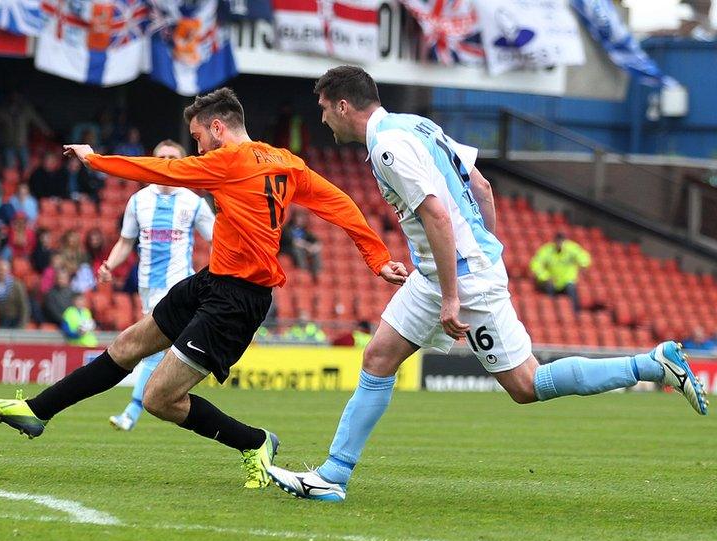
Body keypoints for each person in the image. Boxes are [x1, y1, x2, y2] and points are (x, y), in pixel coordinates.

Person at [265, 65, 709, 503]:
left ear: (344, 106)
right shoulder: (418, 126)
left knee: (526, 385)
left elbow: (437, 214)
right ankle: (333, 475)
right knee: (378, 356)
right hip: (439, 274)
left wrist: (458, 291)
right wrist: (483, 249)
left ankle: (652, 364)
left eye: (324, 108)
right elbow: (482, 185)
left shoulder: (387, 147)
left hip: (460, 278)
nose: (322, 118)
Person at [0, 87, 402, 490]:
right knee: (126, 346)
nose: (198, 149)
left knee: (160, 398)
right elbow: (340, 203)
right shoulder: (287, 162)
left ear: (218, 128)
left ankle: (254, 441)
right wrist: (377, 258)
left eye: (198, 137)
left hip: (237, 301)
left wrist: (97, 160)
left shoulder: (229, 161)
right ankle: (35, 411)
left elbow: (162, 170)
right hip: (211, 281)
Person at [98, 139, 215, 431]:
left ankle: (132, 412)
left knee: (152, 348)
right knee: (155, 348)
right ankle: (157, 399)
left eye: (172, 157)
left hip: (179, 286)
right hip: (147, 286)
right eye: (160, 156)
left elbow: (218, 239)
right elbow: (126, 242)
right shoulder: (138, 201)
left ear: (182, 161)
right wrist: (109, 265)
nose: (165, 160)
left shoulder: (193, 202)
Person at [530, 232, 591, 311]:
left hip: (567, 281)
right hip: (552, 281)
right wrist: (545, 277)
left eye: (562, 241)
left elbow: (584, 257)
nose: (560, 244)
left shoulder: (571, 248)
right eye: (558, 241)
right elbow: (535, 264)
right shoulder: (547, 250)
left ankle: (576, 312)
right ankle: (551, 311)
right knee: (549, 290)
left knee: (572, 289)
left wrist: (583, 264)